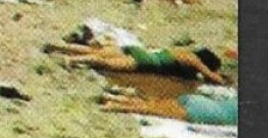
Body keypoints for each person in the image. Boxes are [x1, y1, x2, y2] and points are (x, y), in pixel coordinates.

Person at [43, 42, 229, 84]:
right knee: (105, 63)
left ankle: (59, 47)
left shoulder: (184, 52)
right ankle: (72, 60)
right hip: (146, 61)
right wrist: (223, 79)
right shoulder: (193, 60)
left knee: (96, 52)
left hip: (139, 50)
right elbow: (211, 76)